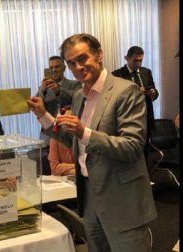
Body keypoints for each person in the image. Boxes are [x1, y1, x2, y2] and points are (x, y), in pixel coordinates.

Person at [27, 33, 157, 252]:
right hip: (89, 198)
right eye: (71, 63)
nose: (78, 67)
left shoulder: (126, 91)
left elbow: (132, 147)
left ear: (99, 55)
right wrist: (43, 115)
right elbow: (73, 139)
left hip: (122, 201)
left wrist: (84, 132)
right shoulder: (79, 95)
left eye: (82, 58)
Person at [112, 46, 159, 173]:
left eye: (141, 60)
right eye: (135, 60)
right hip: (127, 119)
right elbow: (115, 98)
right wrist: (136, 92)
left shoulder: (146, 72)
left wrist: (153, 93)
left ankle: (146, 177)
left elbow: (155, 92)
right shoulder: (116, 75)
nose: (138, 63)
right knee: (129, 150)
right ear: (126, 58)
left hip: (146, 118)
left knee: (145, 150)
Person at [37, 55, 82, 145]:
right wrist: (42, 90)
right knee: (46, 157)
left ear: (64, 68)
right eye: (51, 67)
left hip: (68, 131)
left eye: (57, 66)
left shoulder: (75, 84)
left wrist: (59, 90)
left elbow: (79, 98)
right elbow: (36, 105)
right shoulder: (43, 89)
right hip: (48, 132)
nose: (54, 70)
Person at [48, 106, 75, 176]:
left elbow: (88, 168)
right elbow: (54, 170)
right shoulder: (55, 137)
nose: (68, 124)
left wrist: (65, 166)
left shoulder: (82, 136)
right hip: (62, 182)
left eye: (71, 120)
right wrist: (76, 168)